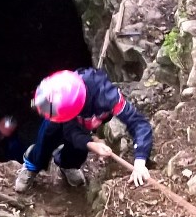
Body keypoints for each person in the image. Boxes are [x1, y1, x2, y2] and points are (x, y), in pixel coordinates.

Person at [15, 68, 152, 192]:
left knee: (78, 148)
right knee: (47, 138)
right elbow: (70, 131)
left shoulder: (108, 98)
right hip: (59, 112)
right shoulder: (62, 89)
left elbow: (138, 123)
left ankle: (67, 165)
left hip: (84, 121)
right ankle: (32, 164)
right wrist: (91, 143)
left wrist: (140, 161)